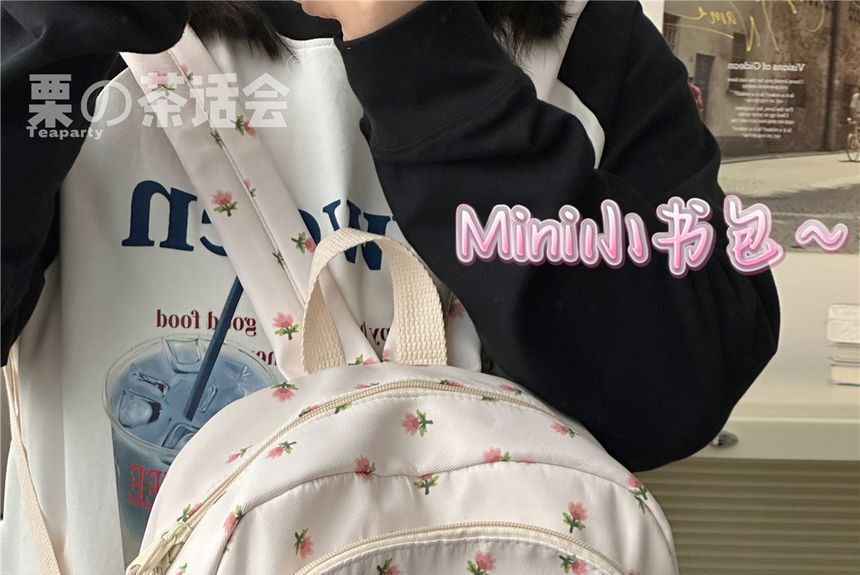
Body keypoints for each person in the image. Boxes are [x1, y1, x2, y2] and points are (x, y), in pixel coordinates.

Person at [1, 2, 779, 574]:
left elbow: (676, 391)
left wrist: (423, 57)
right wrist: (60, 31)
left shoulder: (583, 37)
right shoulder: (62, 36)